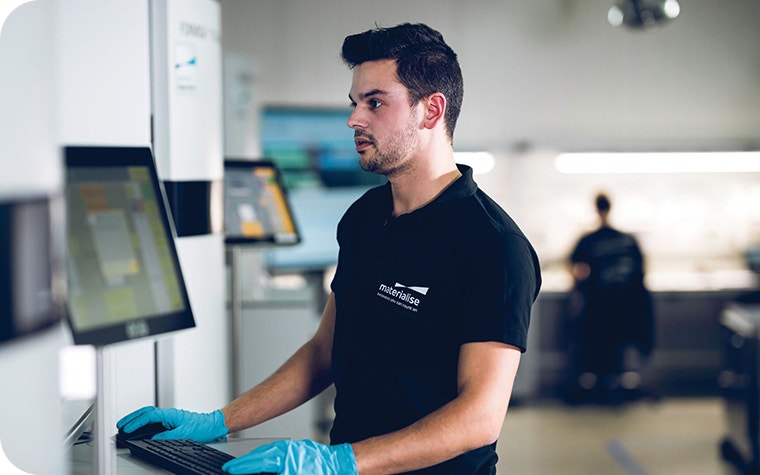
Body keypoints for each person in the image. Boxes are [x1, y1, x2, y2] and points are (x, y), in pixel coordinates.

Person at [117, 23, 541, 474]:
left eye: (375, 102)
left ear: (431, 110)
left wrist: (340, 462)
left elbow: (479, 418)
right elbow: (324, 352)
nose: (354, 119)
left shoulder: (493, 246)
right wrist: (218, 421)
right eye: (355, 103)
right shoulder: (364, 218)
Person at [564, 192, 655, 404]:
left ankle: (600, 389)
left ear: (596, 209)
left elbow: (576, 270)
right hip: (625, 307)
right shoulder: (627, 239)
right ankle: (614, 388)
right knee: (617, 349)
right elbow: (642, 271)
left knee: (596, 348)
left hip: (598, 307)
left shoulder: (588, 241)